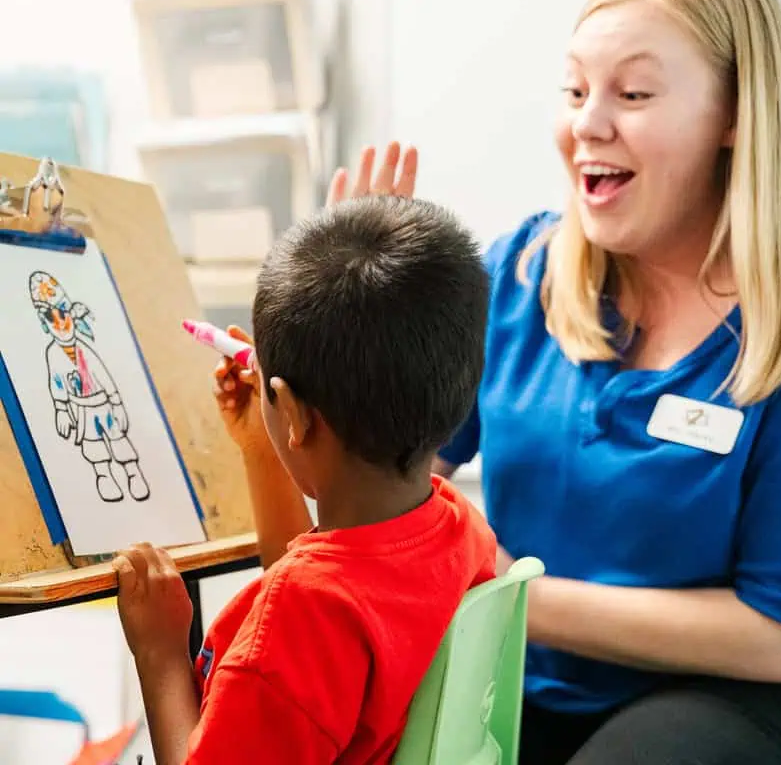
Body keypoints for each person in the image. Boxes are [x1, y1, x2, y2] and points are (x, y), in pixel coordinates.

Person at [227, 0, 781, 763]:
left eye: (633, 96)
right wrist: (348, 328)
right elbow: (377, 474)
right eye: (573, 93)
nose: (588, 126)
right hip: (500, 675)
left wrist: (502, 590)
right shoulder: (520, 275)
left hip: (720, 707)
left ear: (737, 114)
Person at [111, 196, 498, 764]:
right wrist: (261, 450)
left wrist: (161, 653)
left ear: (291, 410)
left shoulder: (301, 617)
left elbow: (301, 628)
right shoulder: (456, 527)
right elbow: (317, 615)